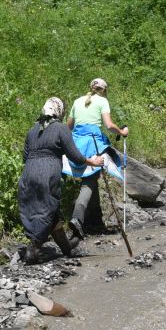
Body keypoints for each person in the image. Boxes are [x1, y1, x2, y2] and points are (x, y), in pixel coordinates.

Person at [18, 97, 102, 263]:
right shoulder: (61, 129)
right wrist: (93, 162)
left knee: (49, 212)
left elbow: (25, 157)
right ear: (59, 111)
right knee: (47, 210)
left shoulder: (32, 130)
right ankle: (33, 249)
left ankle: (67, 249)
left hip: (28, 174)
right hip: (48, 174)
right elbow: (75, 156)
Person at [65, 77, 128, 240]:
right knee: (90, 180)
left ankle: (95, 219)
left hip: (76, 144)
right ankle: (77, 218)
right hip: (92, 144)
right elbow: (109, 125)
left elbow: (68, 127)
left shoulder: (77, 101)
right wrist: (122, 132)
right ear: (104, 90)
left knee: (91, 176)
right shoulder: (102, 101)